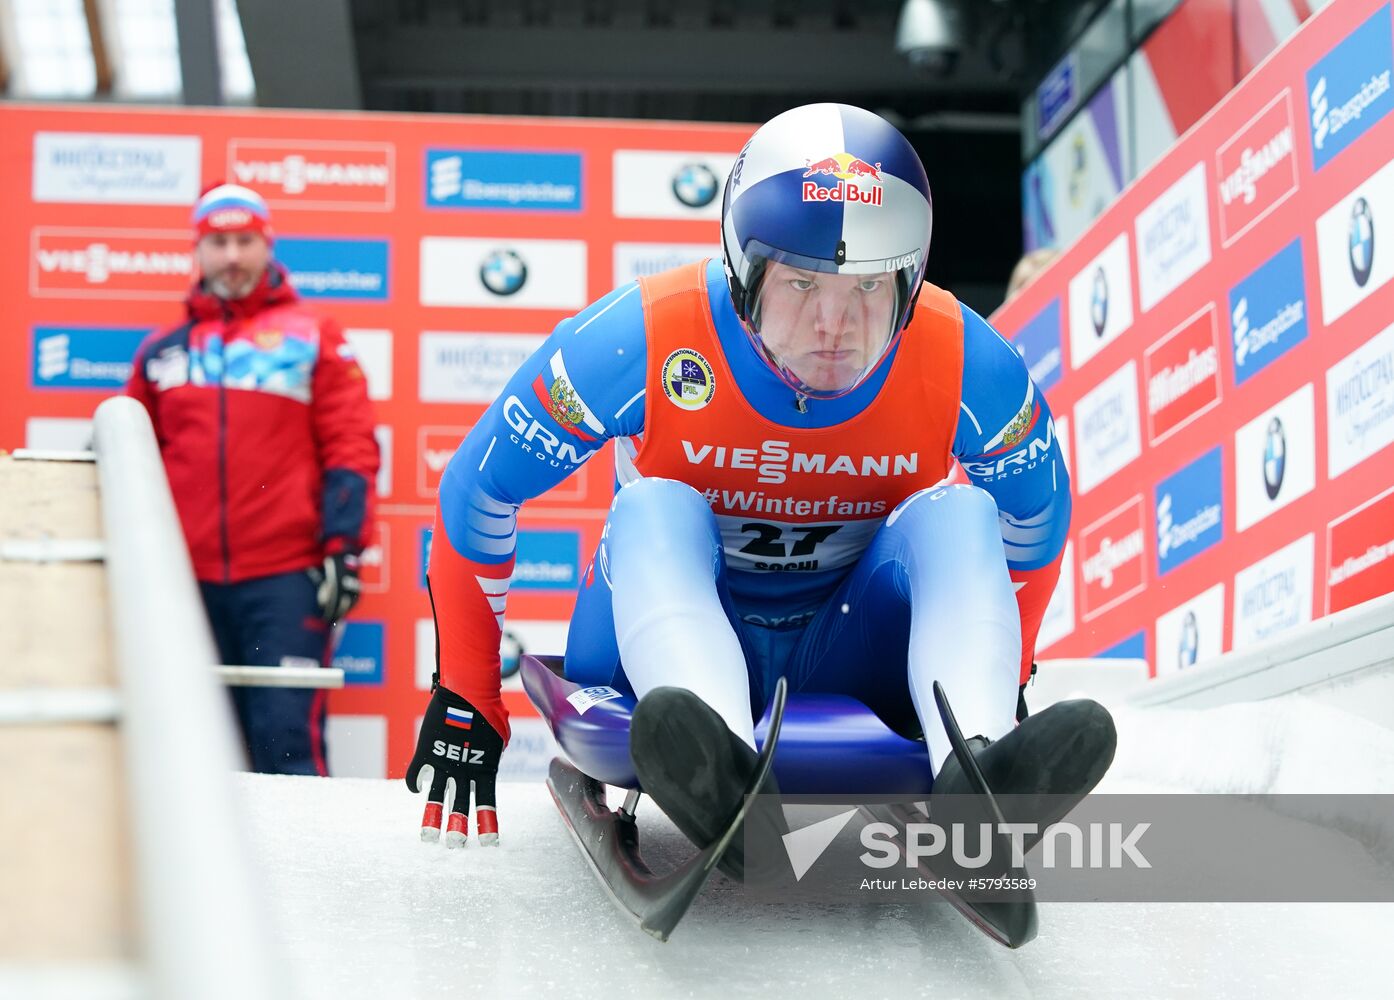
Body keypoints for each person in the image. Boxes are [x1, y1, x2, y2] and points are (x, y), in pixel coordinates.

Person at [407, 104, 1115, 858]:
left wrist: (1003, 677)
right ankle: (714, 762)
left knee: (961, 512)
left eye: (870, 289)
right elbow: (481, 487)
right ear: (745, 272)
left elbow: (1035, 516)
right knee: (655, 505)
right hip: (652, 649)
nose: (835, 328)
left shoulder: (962, 356)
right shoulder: (646, 333)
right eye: (803, 285)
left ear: (909, 285)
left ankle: (975, 764)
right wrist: (467, 691)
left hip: (845, 643)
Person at [126, 183, 379, 776]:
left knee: (284, 739)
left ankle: (302, 873)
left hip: (286, 578)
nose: (232, 257)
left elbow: (351, 441)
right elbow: (127, 458)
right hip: (179, 579)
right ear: (198, 249)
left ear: (267, 245)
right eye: (218, 242)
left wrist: (343, 547)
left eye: (245, 241)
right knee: (184, 745)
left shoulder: (313, 333)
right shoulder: (160, 352)